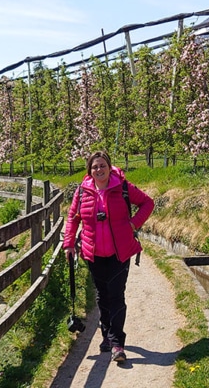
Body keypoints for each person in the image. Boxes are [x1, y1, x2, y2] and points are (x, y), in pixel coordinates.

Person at [62, 150, 154, 363]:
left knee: (116, 295)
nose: (99, 170)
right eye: (95, 167)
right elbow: (73, 218)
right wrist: (69, 244)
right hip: (93, 254)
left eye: (102, 165)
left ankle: (117, 344)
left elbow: (147, 203)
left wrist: (133, 224)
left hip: (119, 253)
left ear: (109, 167)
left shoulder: (122, 186)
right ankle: (106, 335)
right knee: (102, 296)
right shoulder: (82, 192)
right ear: (89, 170)